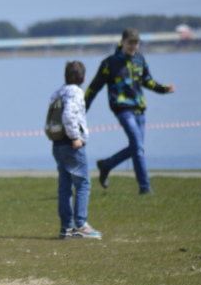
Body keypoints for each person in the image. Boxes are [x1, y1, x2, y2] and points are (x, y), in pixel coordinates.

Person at [85, 28, 175, 195]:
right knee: (138, 146)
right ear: (123, 42)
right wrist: (82, 109)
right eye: (130, 43)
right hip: (122, 108)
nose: (133, 46)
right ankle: (145, 188)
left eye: (136, 43)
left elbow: (148, 81)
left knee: (137, 147)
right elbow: (94, 88)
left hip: (139, 109)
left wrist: (164, 89)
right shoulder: (109, 63)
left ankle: (106, 165)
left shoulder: (141, 60)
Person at [50, 61, 102, 239]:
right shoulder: (77, 92)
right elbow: (68, 114)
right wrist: (75, 137)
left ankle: (66, 227)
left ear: (65, 76)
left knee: (64, 186)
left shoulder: (58, 92)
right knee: (83, 183)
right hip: (71, 144)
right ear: (84, 78)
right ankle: (81, 225)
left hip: (57, 143)